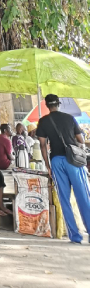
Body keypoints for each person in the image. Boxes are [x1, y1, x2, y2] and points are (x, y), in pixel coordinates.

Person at [36, 93, 90, 244]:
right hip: (73, 160)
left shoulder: (43, 121)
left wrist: (48, 166)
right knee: (84, 197)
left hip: (56, 161)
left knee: (64, 200)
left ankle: (75, 236)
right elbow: (81, 140)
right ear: (59, 103)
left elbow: (42, 145)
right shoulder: (69, 118)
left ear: (46, 105)